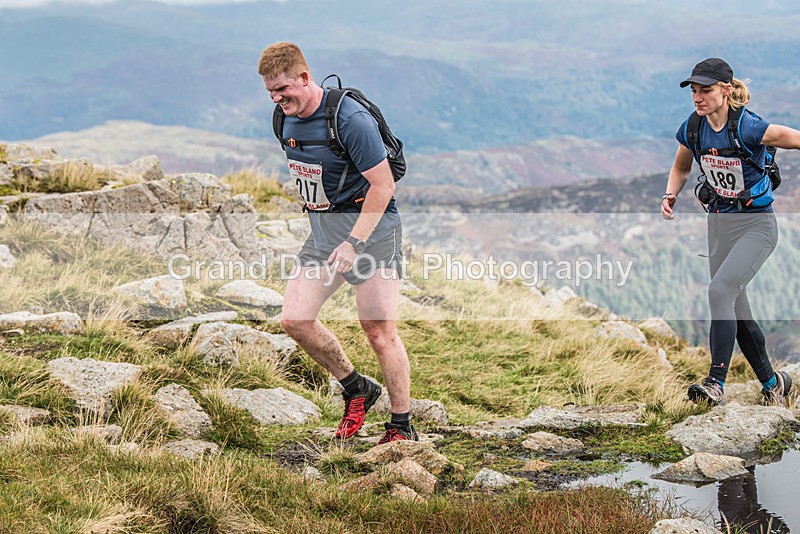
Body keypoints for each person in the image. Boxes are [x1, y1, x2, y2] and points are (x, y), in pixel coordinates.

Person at [257, 42, 417, 444]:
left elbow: (384, 186)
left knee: (378, 331)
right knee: (295, 320)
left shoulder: (350, 120)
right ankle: (356, 387)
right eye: (270, 92)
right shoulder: (284, 118)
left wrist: (353, 243)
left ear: (304, 78)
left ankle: (401, 424)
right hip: (324, 235)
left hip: (373, 234)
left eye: (283, 89)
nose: (277, 99)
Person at [661, 57, 800, 407]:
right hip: (719, 225)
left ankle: (715, 382)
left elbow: (793, 138)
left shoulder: (750, 128)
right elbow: (681, 165)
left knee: (720, 290)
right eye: (694, 91)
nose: (697, 97)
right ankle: (774, 383)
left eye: (705, 90)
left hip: (757, 226)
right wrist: (670, 194)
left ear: (725, 90)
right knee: (737, 309)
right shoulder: (693, 127)